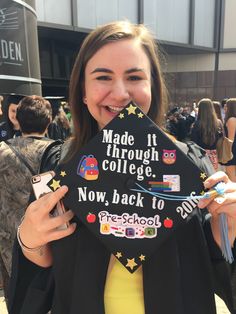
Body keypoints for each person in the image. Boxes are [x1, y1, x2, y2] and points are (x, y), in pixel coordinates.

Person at [8, 21, 236, 314]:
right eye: (103, 77)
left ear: (151, 85)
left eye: (134, 77)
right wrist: (28, 240)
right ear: (83, 91)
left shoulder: (186, 163)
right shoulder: (61, 165)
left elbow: (210, 259)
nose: (120, 93)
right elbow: (44, 270)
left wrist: (227, 226)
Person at [0, 95, 55, 302]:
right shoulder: (58, 153)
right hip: (47, 245)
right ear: (48, 121)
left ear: (17, 120)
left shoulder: (1, 150)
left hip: (8, 244)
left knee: (16, 297)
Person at [190, 98, 223, 171]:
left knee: (203, 178)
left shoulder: (197, 124)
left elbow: (193, 142)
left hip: (201, 156)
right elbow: (221, 139)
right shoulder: (218, 123)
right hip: (215, 155)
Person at [221, 98, 236, 182]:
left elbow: (231, 138)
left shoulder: (232, 119)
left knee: (231, 173)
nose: (225, 107)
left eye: (226, 106)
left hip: (232, 148)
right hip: (232, 147)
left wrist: (226, 153)